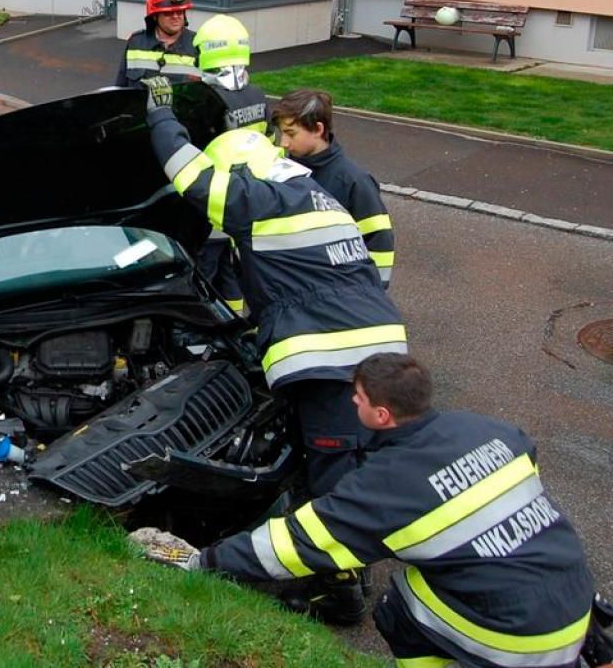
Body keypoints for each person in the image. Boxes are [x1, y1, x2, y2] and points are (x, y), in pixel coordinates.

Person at [131, 353, 606, 668]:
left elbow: (292, 544)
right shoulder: (492, 431)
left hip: (516, 639)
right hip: (574, 599)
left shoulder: (387, 487)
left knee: (399, 601)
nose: (349, 402)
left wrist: (201, 561)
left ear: (380, 415)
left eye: (355, 398)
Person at [142, 78, 409, 620]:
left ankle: (335, 594)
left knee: (333, 475)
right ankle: (345, 561)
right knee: (352, 463)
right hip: (377, 346)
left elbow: (190, 177)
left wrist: (159, 116)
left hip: (333, 359)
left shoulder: (258, 196)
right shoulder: (315, 194)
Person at [174, 14, 272, 315]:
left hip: (208, 210)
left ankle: (204, 333)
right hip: (246, 206)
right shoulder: (257, 95)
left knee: (200, 281)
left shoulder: (200, 99)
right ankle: (236, 329)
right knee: (232, 277)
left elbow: (184, 151)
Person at [272, 89, 396, 288]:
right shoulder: (281, 171)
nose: (283, 143)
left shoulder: (353, 181)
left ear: (318, 129)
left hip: (338, 293)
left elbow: (379, 241)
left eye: (290, 133)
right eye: (281, 133)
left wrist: (372, 293)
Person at [114, 0, 198, 88]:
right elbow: (120, 88)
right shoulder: (136, 43)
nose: (176, 17)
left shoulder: (197, 44)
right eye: (168, 13)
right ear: (155, 16)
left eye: (180, 12)